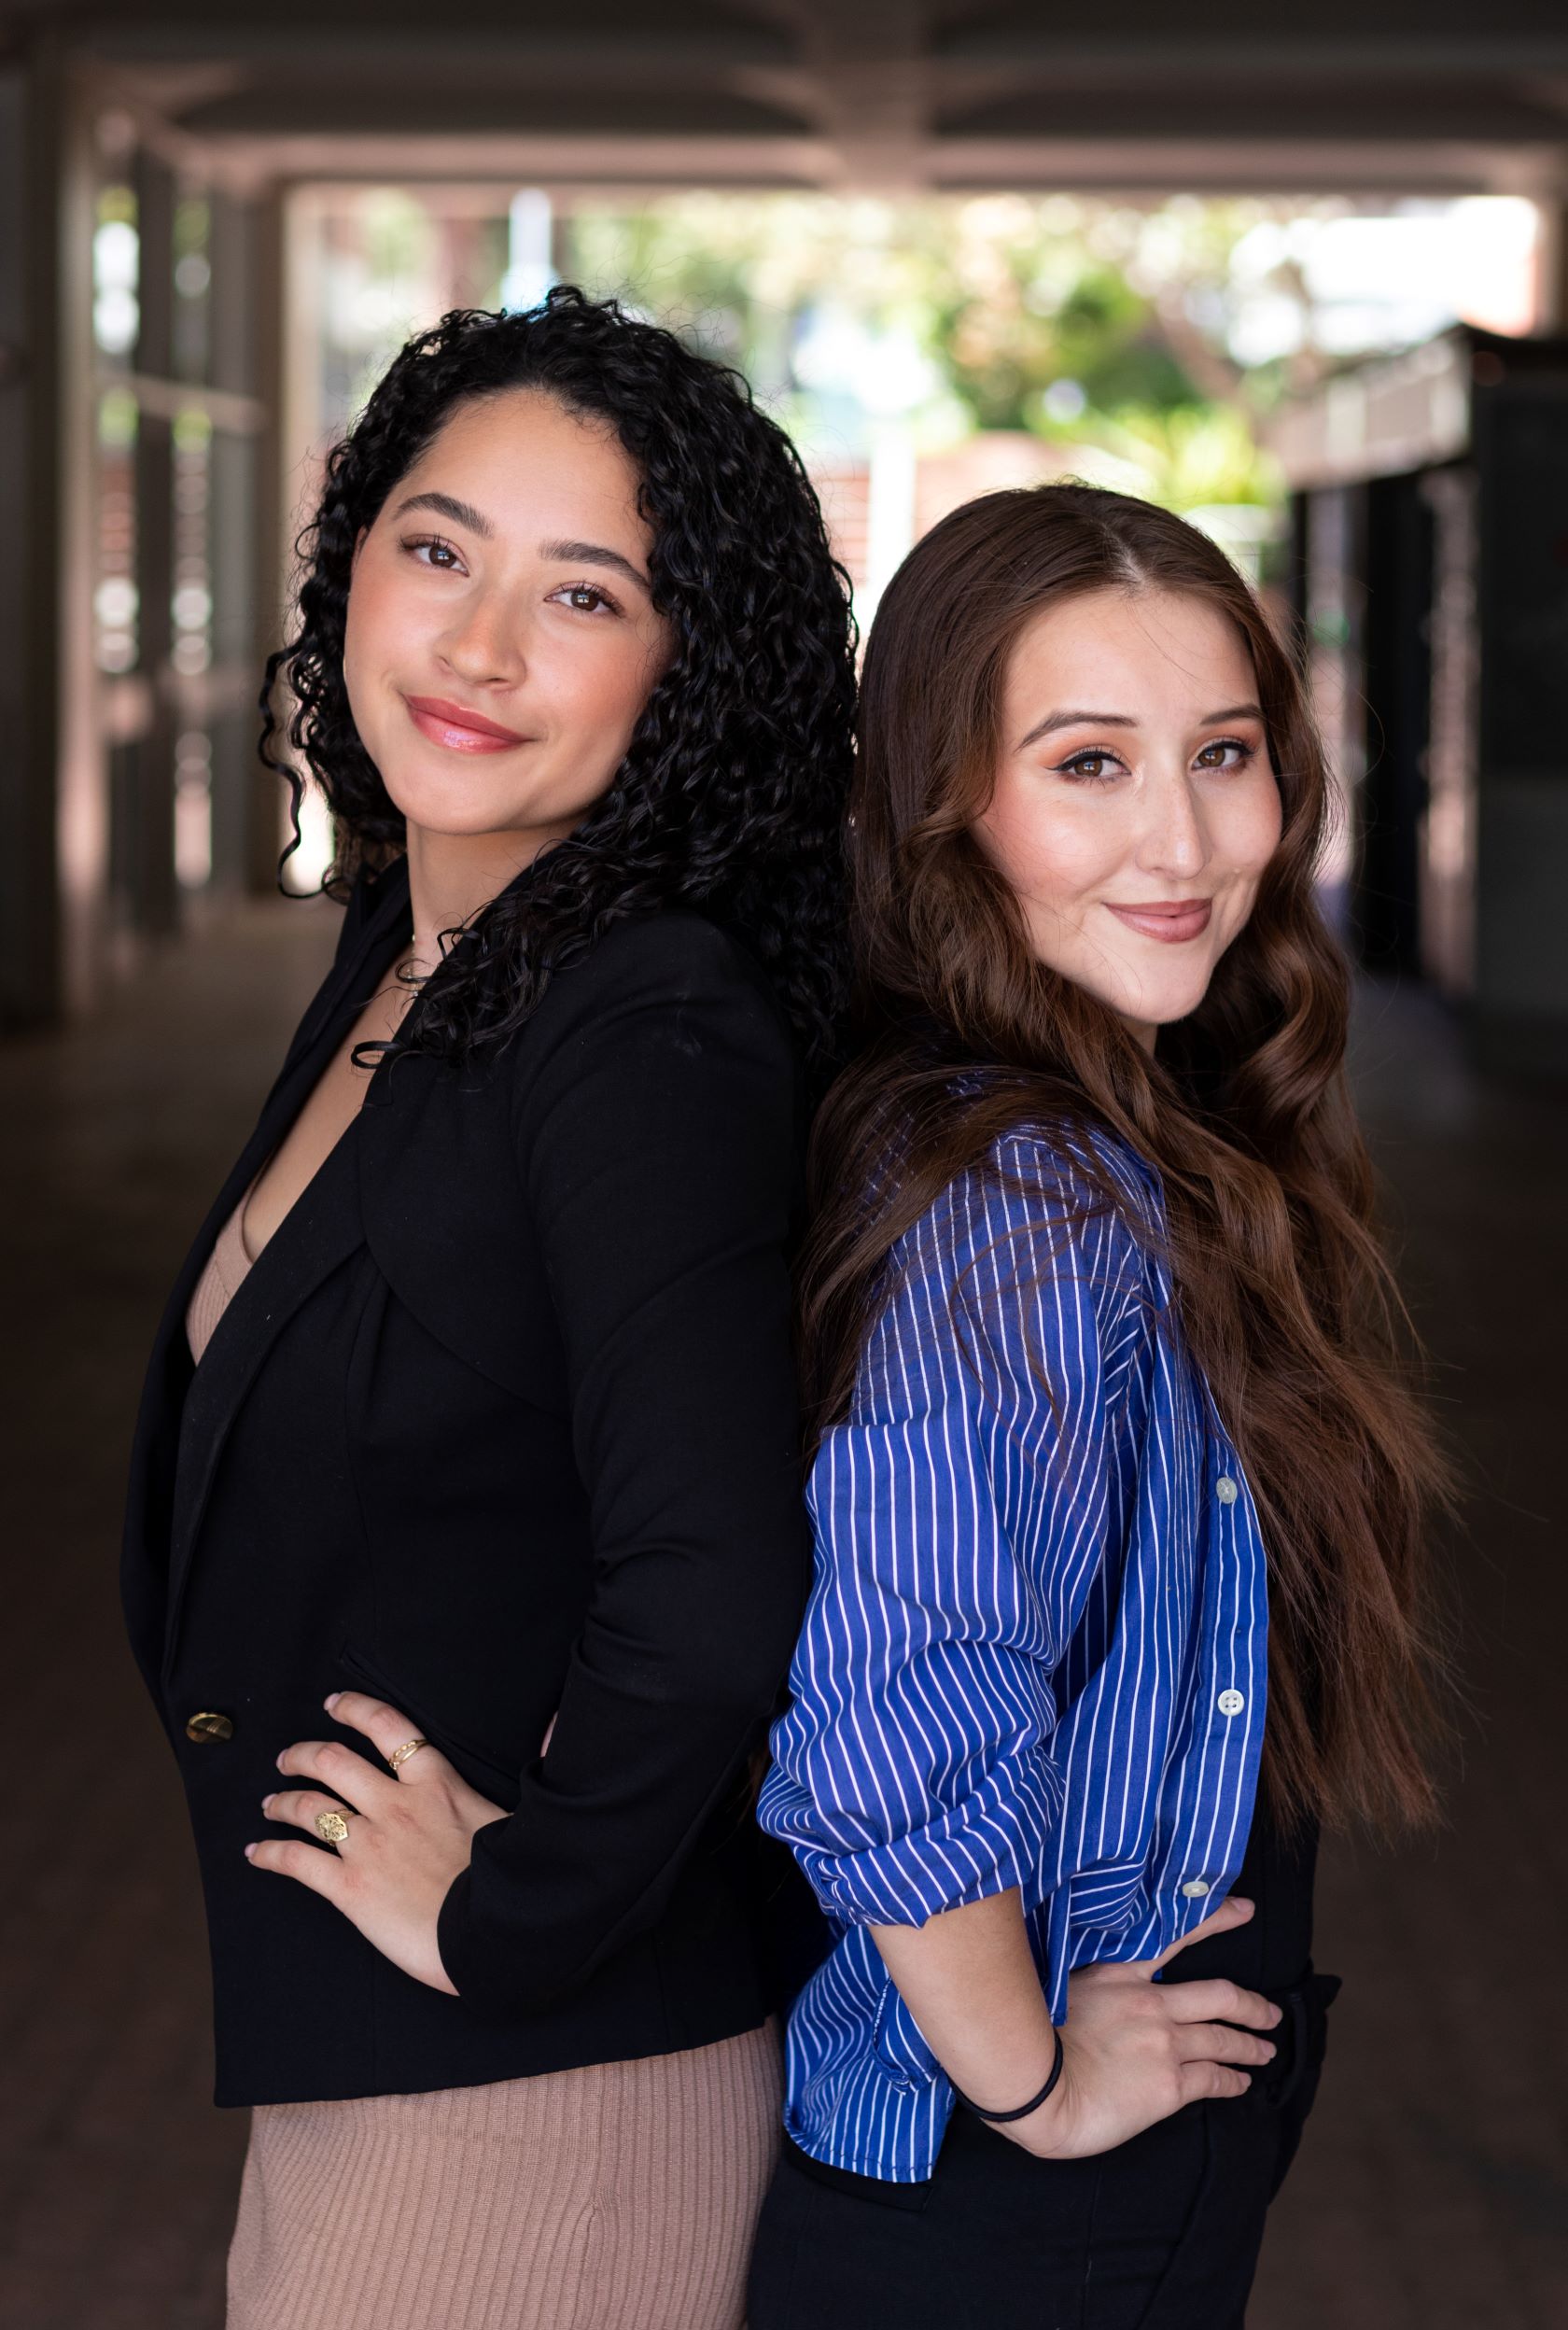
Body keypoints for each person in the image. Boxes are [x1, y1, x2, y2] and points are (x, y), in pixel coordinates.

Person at [120, 288, 854, 2330]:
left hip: (537, 2086)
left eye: (585, 593)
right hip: (385, 2053)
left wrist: (513, 1919)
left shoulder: (642, 1022)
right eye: (438, 548)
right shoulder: (421, 940)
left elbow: (716, 1581)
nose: (476, 645)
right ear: (351, 557)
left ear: (683, 667)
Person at [747, 483, 1447, 2327]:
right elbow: (888, 1728)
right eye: (1086, 762)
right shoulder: (1025, 1206)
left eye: (1224, 753)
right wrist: (1034, 2081)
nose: (1184, 838)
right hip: (1017, 2210)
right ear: (946, 806)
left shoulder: (1112, 1134)